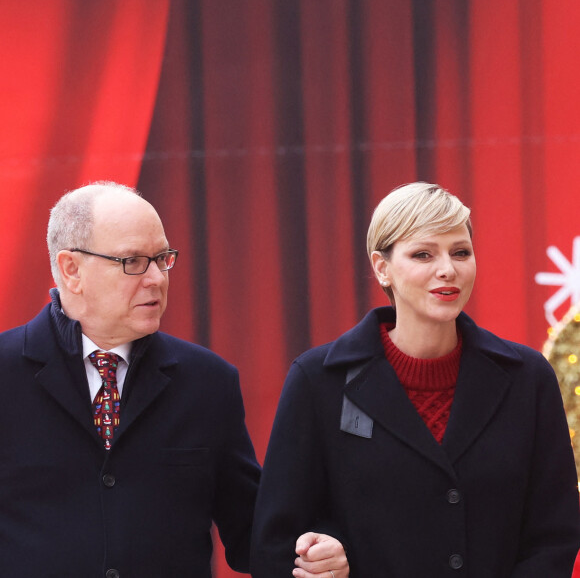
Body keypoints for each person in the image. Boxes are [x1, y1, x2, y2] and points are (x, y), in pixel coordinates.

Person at [0, 181, 348, 577]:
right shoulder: (6, 373)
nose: (156, 279)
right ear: (71, 269)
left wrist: (317, 550)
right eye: (133, 261)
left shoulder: (207, 382)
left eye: (162, 258)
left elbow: (256, 532)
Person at [251, 182, 580, 577]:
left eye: (461, 252)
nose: (448, 269)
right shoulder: (317, 380)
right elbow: (275, 545)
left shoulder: (528, 378)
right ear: (381, 267)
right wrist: (321, 555)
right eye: (423, 254)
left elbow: (555, 535)